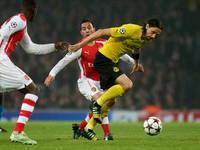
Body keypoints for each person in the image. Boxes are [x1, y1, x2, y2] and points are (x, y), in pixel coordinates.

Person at [44, 19, 143, 140]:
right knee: (101, 102)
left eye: (89, 28)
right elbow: (64, 61)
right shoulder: (79, 47)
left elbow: (120, 53)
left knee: (110, 102)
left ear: (94, 30)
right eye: (84, 29)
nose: (87, 31)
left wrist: (134, 63)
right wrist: (51, 74)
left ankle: (80, 128)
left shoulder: (103, 43)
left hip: (102, 80)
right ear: (81, 32)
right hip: (87, 81)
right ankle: (107, 134)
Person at [68, 18, 163, 140]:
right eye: (153, 32)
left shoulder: (146, 38)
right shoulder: (130, 29)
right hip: (103, 59)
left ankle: (87, 128)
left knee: (111, 101)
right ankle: (97, 104)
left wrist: (135, 63)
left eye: (157, 35)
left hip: (112, 62)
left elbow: (136, 47)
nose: (154, 36)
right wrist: (80, 45)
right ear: (147, 26)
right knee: (128, 84)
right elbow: (101, 32)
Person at [0, 0, 69, 145]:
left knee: (0, 93)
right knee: (33, 90)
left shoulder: (22, 25)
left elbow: (31, 48)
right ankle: (18, 132)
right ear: (34, 9)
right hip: (1, 59)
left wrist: (54, 46)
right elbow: (1, 33)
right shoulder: (19, 19)